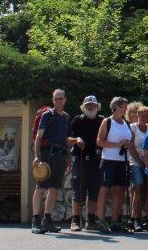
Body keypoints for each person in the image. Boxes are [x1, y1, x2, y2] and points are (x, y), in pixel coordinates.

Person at [31, 89, 75, 234]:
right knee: (41, 188)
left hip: (61, 156)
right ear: (52, 100)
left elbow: (66, 139)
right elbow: (38, 137)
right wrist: (37, 156)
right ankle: (35, 221)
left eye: (61, 98)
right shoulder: (47, 115)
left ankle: (47, 220)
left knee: (54, 189)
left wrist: (68, 157)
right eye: (56, 99)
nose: (58, 101)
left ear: (65, 99)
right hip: (47, 155)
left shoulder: (66, 117)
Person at [96, 96, 137, 234]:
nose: (126, 108)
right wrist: (117, 145)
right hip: (108, 160)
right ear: (117, 107)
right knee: (104, 189)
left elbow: (131, 141)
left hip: (122, 161)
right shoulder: (107, 121)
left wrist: (127, 144)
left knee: (118, 191)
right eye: (124, 106)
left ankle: (115, 221)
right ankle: (101, 220)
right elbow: (99, 141)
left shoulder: (126, 123)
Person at [69, 95, 103, 232]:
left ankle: (91, 220)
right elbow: (68, 136)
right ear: (83, 107)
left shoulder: (102, 121)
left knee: (94, 191)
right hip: (80, 158)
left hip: (96, 159)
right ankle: (75, 220)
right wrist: (77, 139)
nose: (90, 107)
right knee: (78, 190)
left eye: (93, 105)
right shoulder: (78, 120)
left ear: (97, 107)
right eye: (88, 105)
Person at [128, 104, 148, 232]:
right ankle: (136, 219)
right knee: (138, 188)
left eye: (146, 116)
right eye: (142, 116)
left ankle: (147, 218)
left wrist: (147, 162)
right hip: (135, 162)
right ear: (138, 116)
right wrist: (140, 161)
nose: (144, 118)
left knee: (147, 190)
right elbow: (131, 147)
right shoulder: (133, 128)